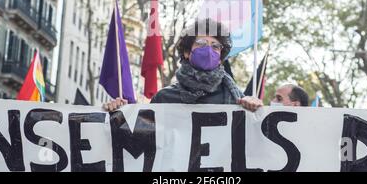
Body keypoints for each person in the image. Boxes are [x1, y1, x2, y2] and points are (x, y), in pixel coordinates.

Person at [104, 19, 263, 112]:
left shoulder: (237, 101)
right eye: (201, 43)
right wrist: (119, 113)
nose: (209, 50)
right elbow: (142, 141)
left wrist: (256, 111)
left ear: (221, 58)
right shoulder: (164, 98)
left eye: (215, 47)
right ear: (187, 52)